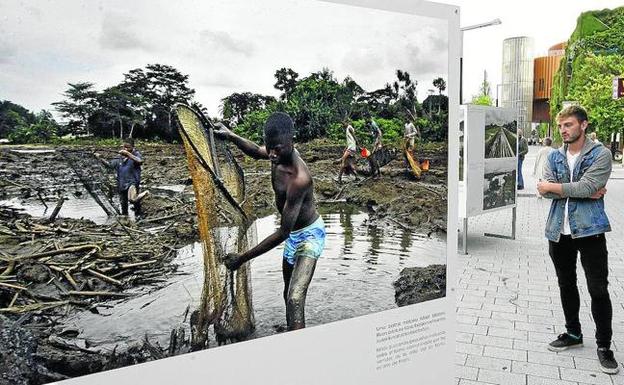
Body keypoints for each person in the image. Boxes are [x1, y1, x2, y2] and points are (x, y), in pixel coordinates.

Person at [213, 112, 325, 331]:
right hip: (292, 236)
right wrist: (231, 135)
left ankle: (300, 352)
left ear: (292, 142)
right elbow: (255, 151)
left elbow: (283, 232)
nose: (272, 155)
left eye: (277, 149)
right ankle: (291, 334)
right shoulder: (277, 155)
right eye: (269, 147)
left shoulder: (299, 178)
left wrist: (242, 258)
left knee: (295, 298)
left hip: (310, 236)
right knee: (287, 291)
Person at [537, 105, 617, 374]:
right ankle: (573, 333)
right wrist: (578, 190)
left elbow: (584, 186)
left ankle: (604, 346)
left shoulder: (600, 154)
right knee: (566, 284)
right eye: (561, 126)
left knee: (598, 289)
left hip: (590, 230)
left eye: (568, 125)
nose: (563, 130)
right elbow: (544, 190)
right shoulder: (554, 156)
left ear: (583, 125)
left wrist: (557, 188)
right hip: (559, 231)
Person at [95, 138, 149, 217]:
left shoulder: (136, 154)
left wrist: (128, 154)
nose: (126, 149)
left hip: (132, 182)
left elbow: (140, 161)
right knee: (124, 206)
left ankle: (144, 198)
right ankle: (126, 221)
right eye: (124, 147)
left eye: (128, 147)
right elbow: (110, 165)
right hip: (122, 184)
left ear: (133, 147)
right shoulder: (119, 157)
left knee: (133, 200)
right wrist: (100, 158)